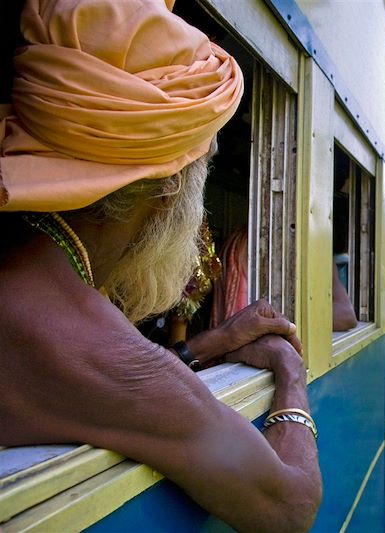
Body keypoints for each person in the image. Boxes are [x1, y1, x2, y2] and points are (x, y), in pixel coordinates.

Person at [0, 2, 321, 531]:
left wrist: (210, 344)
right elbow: (290, 504)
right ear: (171, 192)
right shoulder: (89, 343)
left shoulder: (40, 276)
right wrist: (290, 371)